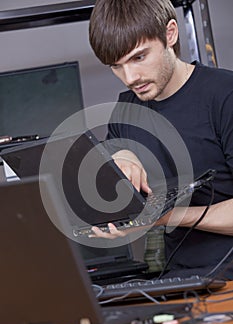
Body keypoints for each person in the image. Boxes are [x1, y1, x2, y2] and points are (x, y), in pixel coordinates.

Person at [88, 0, 233, 279]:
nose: (130, 77)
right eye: (116, 66)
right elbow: (119, 162)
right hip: (177, 280)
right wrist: (120, 159)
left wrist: (167, 216)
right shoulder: (126, 110)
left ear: (170, 34)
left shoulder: (224, 96)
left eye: (139, 57)